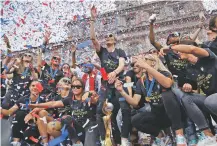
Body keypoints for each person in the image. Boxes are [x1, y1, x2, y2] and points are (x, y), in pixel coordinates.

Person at [115, 54, 187, 146]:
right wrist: (122, 91)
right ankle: (163, 138)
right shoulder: (141, 81)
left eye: (145, 60)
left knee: (167, 95)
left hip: (174, 114)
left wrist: (147, 67)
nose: (141, 63)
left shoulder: (164, 73)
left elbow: (167, 84)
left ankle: (180, 135)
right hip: (158, 115)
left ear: (153, 62)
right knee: (136, 120)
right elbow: (135, 103)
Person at [90, 6, 131, 146]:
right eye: (106, 37)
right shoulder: (102, 52)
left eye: (110, 36)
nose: (107, 38)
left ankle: (124, 139)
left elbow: (121, 65)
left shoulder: (119, 51)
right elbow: (92, 38)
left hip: (118, 83)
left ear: (114, 40)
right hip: (106, 85)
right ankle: (104, 140)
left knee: (124, 109)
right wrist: (92, 19)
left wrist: (114, 73)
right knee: (100, 111)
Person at [28, 78, 100, 146]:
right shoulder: (69, 100)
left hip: (89, 126)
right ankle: (77, 143)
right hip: (76, 126)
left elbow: (94, 95)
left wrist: (89, 93)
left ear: (83, 87)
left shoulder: (88, 97)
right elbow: (53, 104)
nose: (75, 88)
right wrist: (36, 106)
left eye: (78, 86)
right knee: (66, 118)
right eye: (73, 86)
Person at [0, 80, 45, 146]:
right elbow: (9, 112)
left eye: (37, 86)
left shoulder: (44, 99)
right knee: (19, 114)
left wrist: (32, 114)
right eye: (33, 85)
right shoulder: (23, 99)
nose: (35, 87)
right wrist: (1, 109)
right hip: (24, 124)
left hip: (37, 125)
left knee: (29, 137)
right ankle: (16, 142)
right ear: (29, 87)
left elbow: (46, 111)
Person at [37, 31, 64, 97]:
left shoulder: (60, 73)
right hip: (41, 92)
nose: (56, 59)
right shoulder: (46, 67)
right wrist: (44, 43)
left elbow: (61, 85)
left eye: (58, 59)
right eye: (54, 58)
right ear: (51, 60)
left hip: (52, 95)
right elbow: (40, 58)